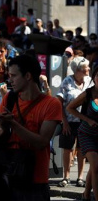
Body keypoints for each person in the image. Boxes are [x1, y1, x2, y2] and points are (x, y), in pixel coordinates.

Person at [0, 55, 61, 200]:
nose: (10, 80)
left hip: (34, 180)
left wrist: (13, 124)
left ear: (28, 76)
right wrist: (4, 129)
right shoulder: (9, 99)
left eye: (14, 76)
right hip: (7, 176)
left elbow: (41, 142)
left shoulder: (51, 103)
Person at [56, 56, 91, 188]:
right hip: (69, 121)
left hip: (84, 120)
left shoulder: (89, 81)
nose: (88, 69)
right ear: (77, 70)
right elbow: (59, 102)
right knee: (67, 149)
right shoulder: (67, 81)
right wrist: (64, 121)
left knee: (82, 149)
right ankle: (66, 177)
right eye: (85, 67)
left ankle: (80, 177)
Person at [66, 66, 98, 201]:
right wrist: (87, 119)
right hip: (87, 134)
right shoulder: (88, 93)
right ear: (94, 77)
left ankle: (86, 194)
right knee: (96, 167)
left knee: (95, 167)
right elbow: (70, 108)